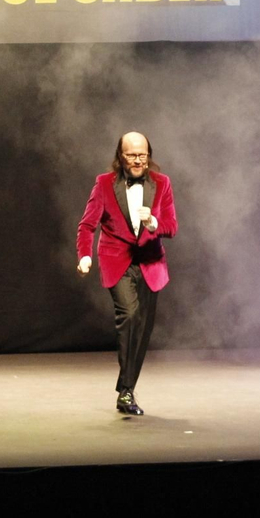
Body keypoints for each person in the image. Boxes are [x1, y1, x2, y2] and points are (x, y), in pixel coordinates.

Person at [76, 131, 177, 416]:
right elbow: (87, 226)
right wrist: (85, 255)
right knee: (129, 315)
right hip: (116, 261)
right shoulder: (104, 184)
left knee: (143, 329)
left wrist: (154, 222)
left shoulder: (162, 183)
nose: (137, 160)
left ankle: (126, 389)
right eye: (131, 155)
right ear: (120, 157)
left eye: (142, 155)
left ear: (149, 155)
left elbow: (172, 225)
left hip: (150, 263)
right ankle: (126, 391)